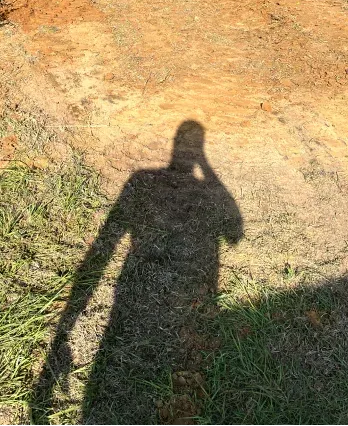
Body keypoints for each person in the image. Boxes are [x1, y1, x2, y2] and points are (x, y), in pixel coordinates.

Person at [32, 119, 243, 424]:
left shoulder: (141, 178)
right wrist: (207, 168)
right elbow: (234, 234)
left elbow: (110, 236)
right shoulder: (158, 181)